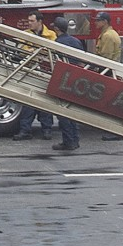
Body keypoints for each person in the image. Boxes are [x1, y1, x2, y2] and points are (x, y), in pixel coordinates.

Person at [13, 13, 57, 139]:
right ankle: (25, 130)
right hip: (30, 73)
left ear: (40, 21)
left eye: (32, 21)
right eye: (28, 21)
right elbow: (20, 51)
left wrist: (34, 52)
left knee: (45, 102)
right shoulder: (26, 34)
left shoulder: (51, 35)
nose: (29, 23)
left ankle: (46, 129)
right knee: (28, 102)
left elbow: (53, 51)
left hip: (45, 72)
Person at [51, 16, 83, 152]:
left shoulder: (57, 43)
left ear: (57, 29)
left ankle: (68, 141)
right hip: (76, 80)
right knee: (72, 112)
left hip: (63, 80)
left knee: (62, 112)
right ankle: (75, 140)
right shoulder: (76, 41)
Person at [93, 12, 123, 140]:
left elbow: (104, 58)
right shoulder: (109, 34)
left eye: (98, 20)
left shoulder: (107, 36)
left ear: (105, 22)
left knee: (111, 103)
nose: (95, 22)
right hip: (112, 72)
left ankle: (116, 132)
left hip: (109, 73)